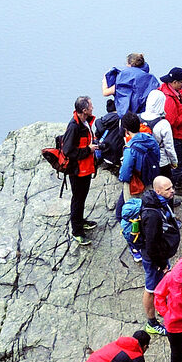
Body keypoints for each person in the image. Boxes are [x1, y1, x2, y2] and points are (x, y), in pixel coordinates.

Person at [136, 175, 180, 325]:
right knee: (151, 289)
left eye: (172, 187)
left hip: (161, 253)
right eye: (168, 189)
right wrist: (161, 263)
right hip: (153, 257)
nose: (172, 191)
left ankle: (163, 308)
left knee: (161, 283)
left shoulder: (159, 202)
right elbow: (151, 245)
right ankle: (152, 323)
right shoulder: (152, 214)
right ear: (158, 191)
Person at [59, 97, 97, 239]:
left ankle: (80, 221)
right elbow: (68, 150)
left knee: (82, 197)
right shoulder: (74, 127)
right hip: (77, 170)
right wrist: (88, 150)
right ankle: (77, 231)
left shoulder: (84, 122)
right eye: (91, 106)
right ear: (84, 110)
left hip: (85, 168)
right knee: (78, 199)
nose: (93, 107)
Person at [119, 118, 163, 200]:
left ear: (126, 130)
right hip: (151, 179)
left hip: (137, 183)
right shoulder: (151, 139)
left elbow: (125, 172)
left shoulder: (130, 148)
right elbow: (157, 157)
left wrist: (122, 178)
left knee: (133, 208)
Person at [104, 53, 157, 121]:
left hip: (130, 118)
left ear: (129, 64)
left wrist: (105, 79)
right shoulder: (151, 78)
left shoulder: (125, 78)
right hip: (146, 117)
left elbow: (106, 92)